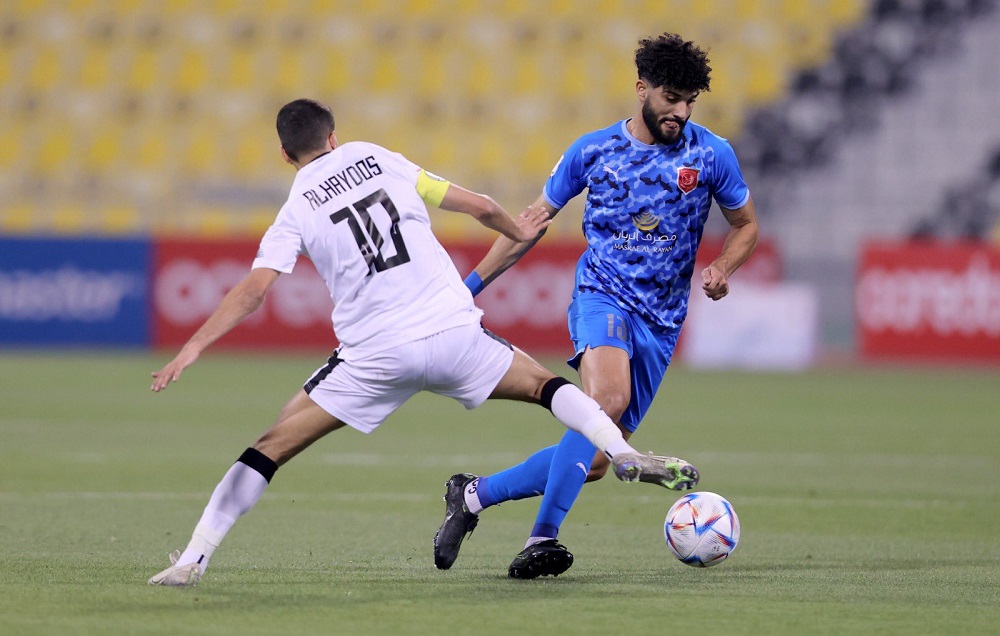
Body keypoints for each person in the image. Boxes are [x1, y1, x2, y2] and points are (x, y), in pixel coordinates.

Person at [147, 98, 695, 587]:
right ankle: (623, 452)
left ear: (286, 155)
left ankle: (193, 558)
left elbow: (253, 291)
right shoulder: (376, 157)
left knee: (270, 448)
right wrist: (517, 230)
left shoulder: (295, 210)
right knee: (547, 386)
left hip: (377, 355)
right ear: (333, 137)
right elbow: (477, 205)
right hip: (454, 332)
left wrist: (192, 348)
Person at [433, 32, 758, 579]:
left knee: (601, 458)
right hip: (603, 297)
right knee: (605, 400)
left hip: (663, 319)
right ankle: (543, 538)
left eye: (689, 102)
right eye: (670, 98)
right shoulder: (593, 151)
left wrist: (724, 267)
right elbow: (527, 226)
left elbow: (746, 226)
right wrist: (466, 291)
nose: (679, 111)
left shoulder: (711, 154)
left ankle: (473, 496)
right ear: (642, 89)